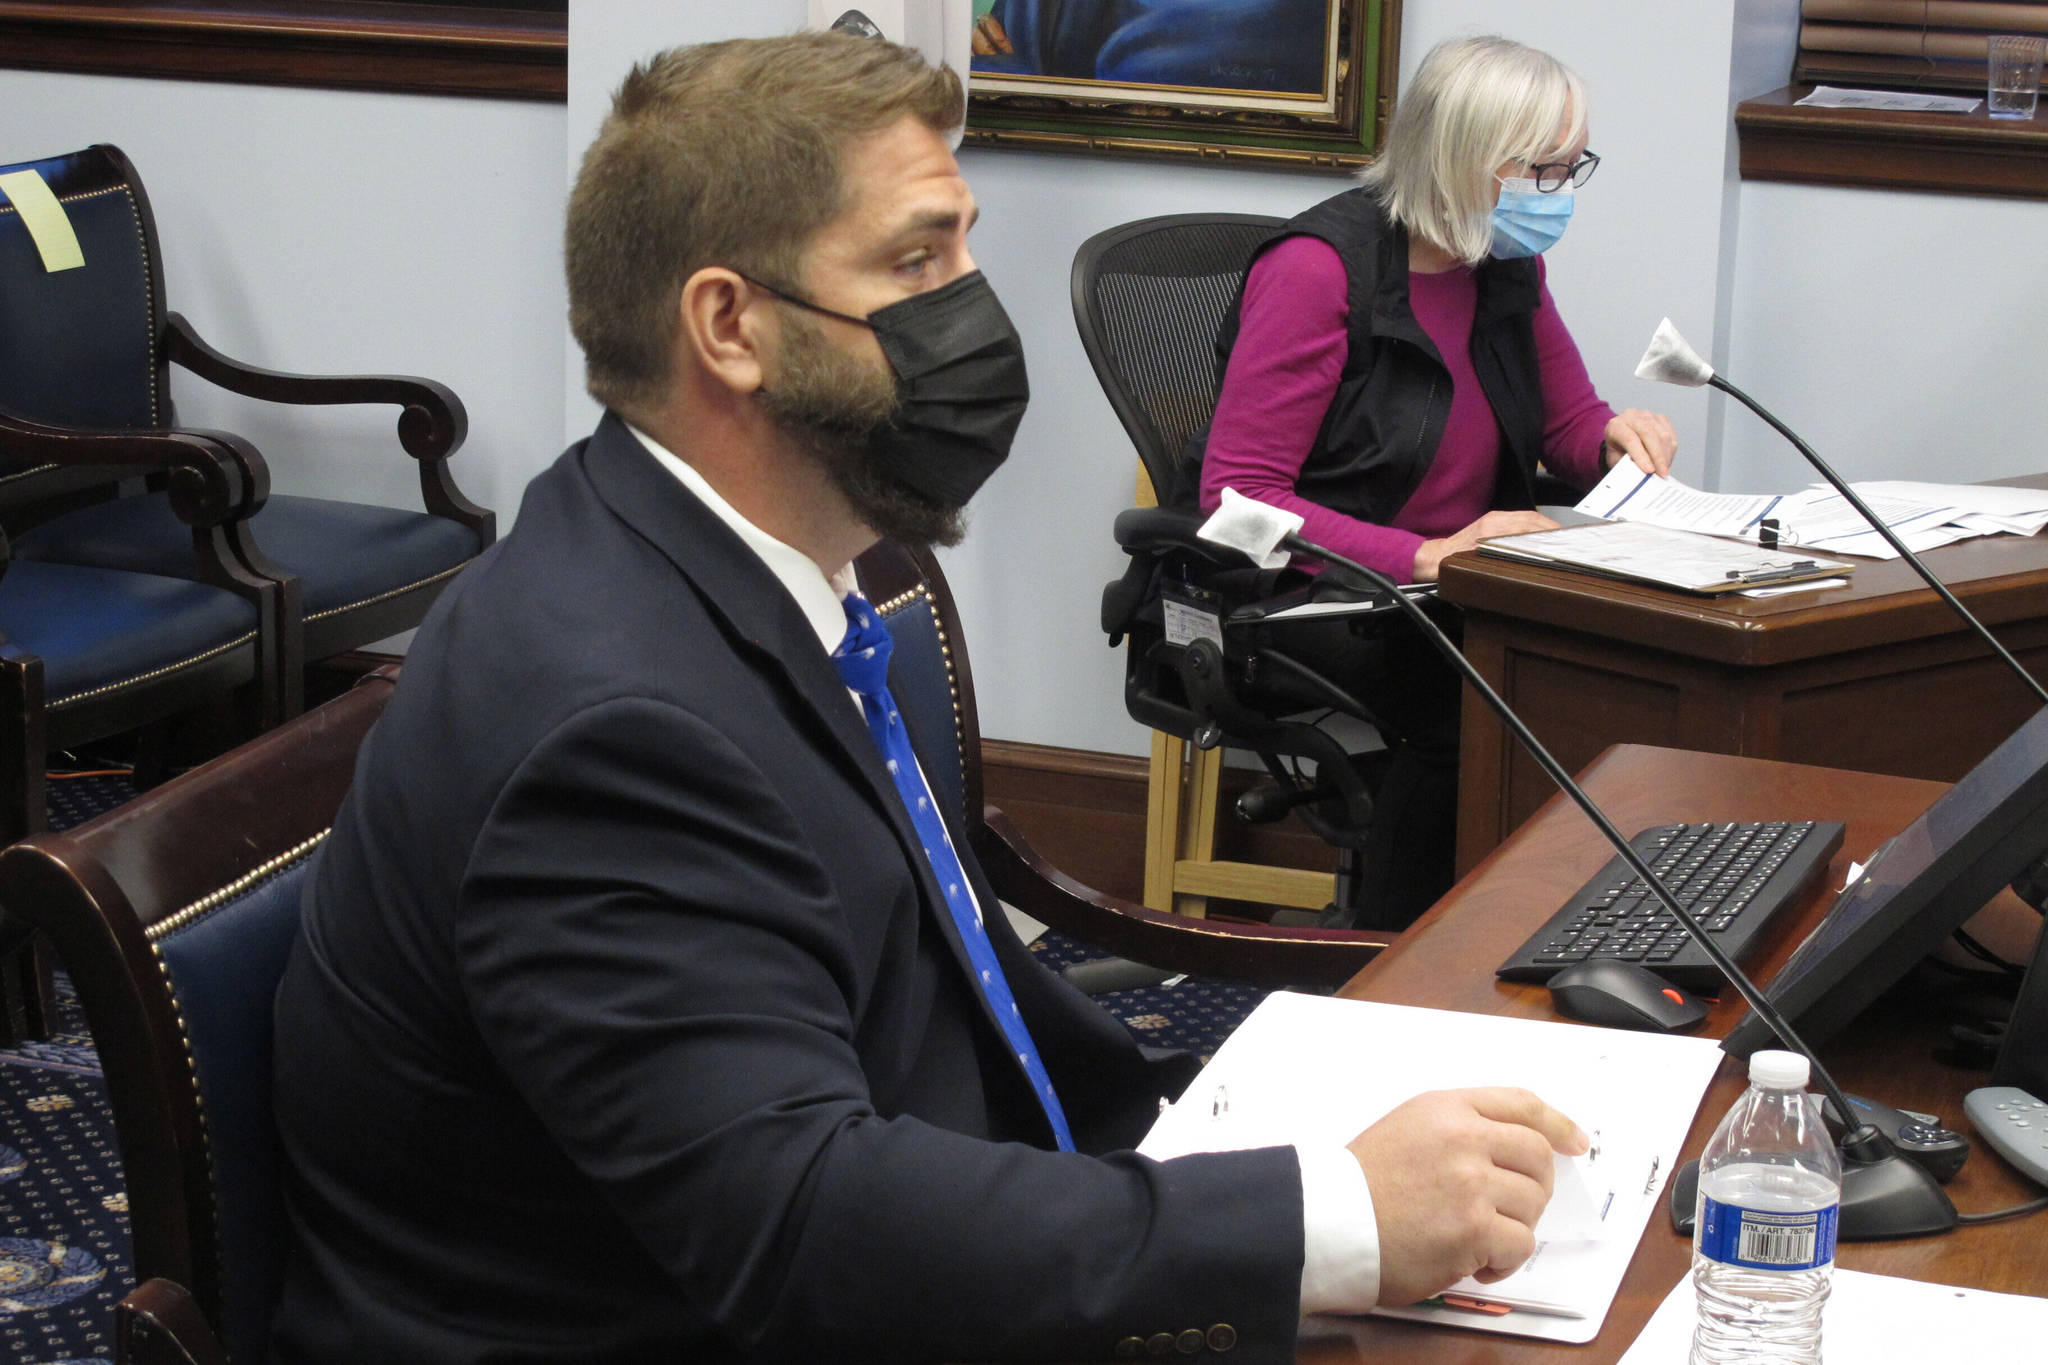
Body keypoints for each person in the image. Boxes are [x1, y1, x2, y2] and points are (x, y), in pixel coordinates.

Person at [268, 32, 1587, 1365]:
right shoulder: (613, 726)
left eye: (962, 247)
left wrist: (1231, 1154)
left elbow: (908, 1006)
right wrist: (1333, 1216)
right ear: (729, 327)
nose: (974, 309)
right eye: (914, 262)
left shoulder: (761, 572)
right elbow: (796, 1226)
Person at [1193, 35, 1680, 928]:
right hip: (1323, 593)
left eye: (1573, 169)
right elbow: (1239, 502)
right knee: (1480, 713)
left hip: (1464, 581)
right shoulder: (1317, 270)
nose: (1559, 195)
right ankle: (1399, 966)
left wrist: (1613, 438)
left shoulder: (1502, 261)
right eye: (1543, 171)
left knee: (1611, 676)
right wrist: (1427, 554)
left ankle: (1553, 938)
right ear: (1462, 159)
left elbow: (1566, 425)